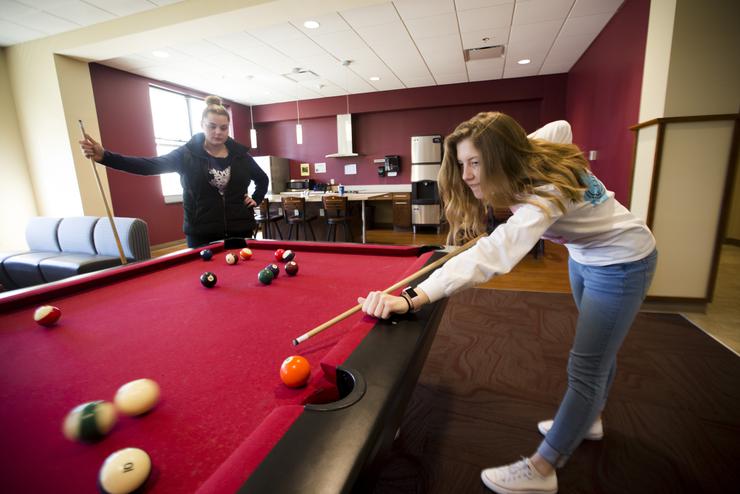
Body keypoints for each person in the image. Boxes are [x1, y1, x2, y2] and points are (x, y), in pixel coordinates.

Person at [358, 112, 657, 494]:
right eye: (463, 163)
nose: (466, 175)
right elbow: (562, 127)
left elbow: (491, 254)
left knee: (586, 367)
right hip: (584, 257)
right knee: (600, 350)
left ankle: (543, 467)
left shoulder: (543, 198)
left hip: (622, 261)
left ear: (499, 156)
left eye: (476, 162)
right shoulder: (526, 154)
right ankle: (589, 419)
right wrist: (516, 148)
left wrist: (413, 297)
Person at [80, 95, 269, 248]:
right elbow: (149, 166)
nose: (218, 132)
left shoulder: (241, 156)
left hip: (240, 229)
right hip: (201, 234)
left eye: (223, 127)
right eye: (212, 126)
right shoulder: (186, 155)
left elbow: (262, 179)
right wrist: (105, 157)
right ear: (202, 125)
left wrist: (256, 198)